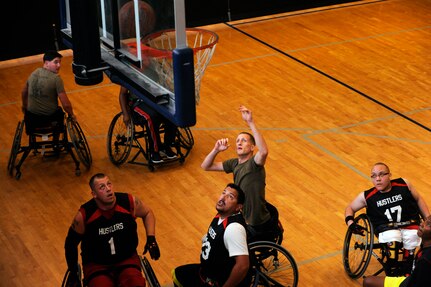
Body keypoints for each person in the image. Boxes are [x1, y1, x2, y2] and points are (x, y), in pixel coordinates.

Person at [64, 173, 160, 287]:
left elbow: (148, 213)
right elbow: (70, 244)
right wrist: (73, 273)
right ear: (94, 194)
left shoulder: (128, 202)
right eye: (102, 187)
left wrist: (151, 238)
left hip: (126, 259)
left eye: (109, 184)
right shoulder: (84, 215)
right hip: (97, 265)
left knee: (136, 283)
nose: (108, 189)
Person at [201, 105, 276, 242]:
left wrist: (250, 122)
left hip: (255, 223)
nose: (239, 142)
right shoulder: (234, 163)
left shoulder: (255, 164)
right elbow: (206, 166)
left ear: (252, 147)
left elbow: (264, 151)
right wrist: (216, 149)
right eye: (237, 141)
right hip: (241, 215)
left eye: (244, 140)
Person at [345, 162, 430, 275]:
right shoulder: (367, 196)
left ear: (390, 175)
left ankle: (408, 266)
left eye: (381, 174)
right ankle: (392, 269)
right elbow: (350, 208)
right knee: (393, 240)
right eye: (374, 176)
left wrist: (428, 219)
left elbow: (418, 199)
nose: (378, 179)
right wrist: (351, 223)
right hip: (386, 228)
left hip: (410, 224)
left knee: (413, 237)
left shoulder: (404, 184)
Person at [172, 183, 250, 287]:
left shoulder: (233, 229)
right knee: (177, 274)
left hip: (218, 281)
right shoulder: (221, 215)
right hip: (206, 272)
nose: (223, 197)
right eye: (223, 193)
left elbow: (242, 266)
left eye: (230, 197)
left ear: (238, 207)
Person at [363, 215, 431, 287]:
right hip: (412, 279)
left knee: (368, 282)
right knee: (368, 281)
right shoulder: (426, 246)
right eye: (425, 220)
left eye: (428, 224)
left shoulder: (425, 260)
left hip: (412, 283)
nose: (422, 224)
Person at [21, 50, 76, 135]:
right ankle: (56, 141)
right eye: (56, 62)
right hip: (50, 118)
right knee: (61, 111)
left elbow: (24, 92)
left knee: (28, 112)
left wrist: (25, 106)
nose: (59, 65)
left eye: (60, 62)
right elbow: (66, 105)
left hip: (32, 118)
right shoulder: (56, 78)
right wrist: (72, 114)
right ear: (46, 63)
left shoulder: (34, 73)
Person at [119, 86, 178, 163]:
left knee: (172, 114)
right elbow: (122, 94)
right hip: (138, 103)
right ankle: (154, 152)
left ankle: (167, 146)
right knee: (151, 117)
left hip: (154, 100)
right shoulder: (130, 74)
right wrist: (125, 114)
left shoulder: (157, 73)